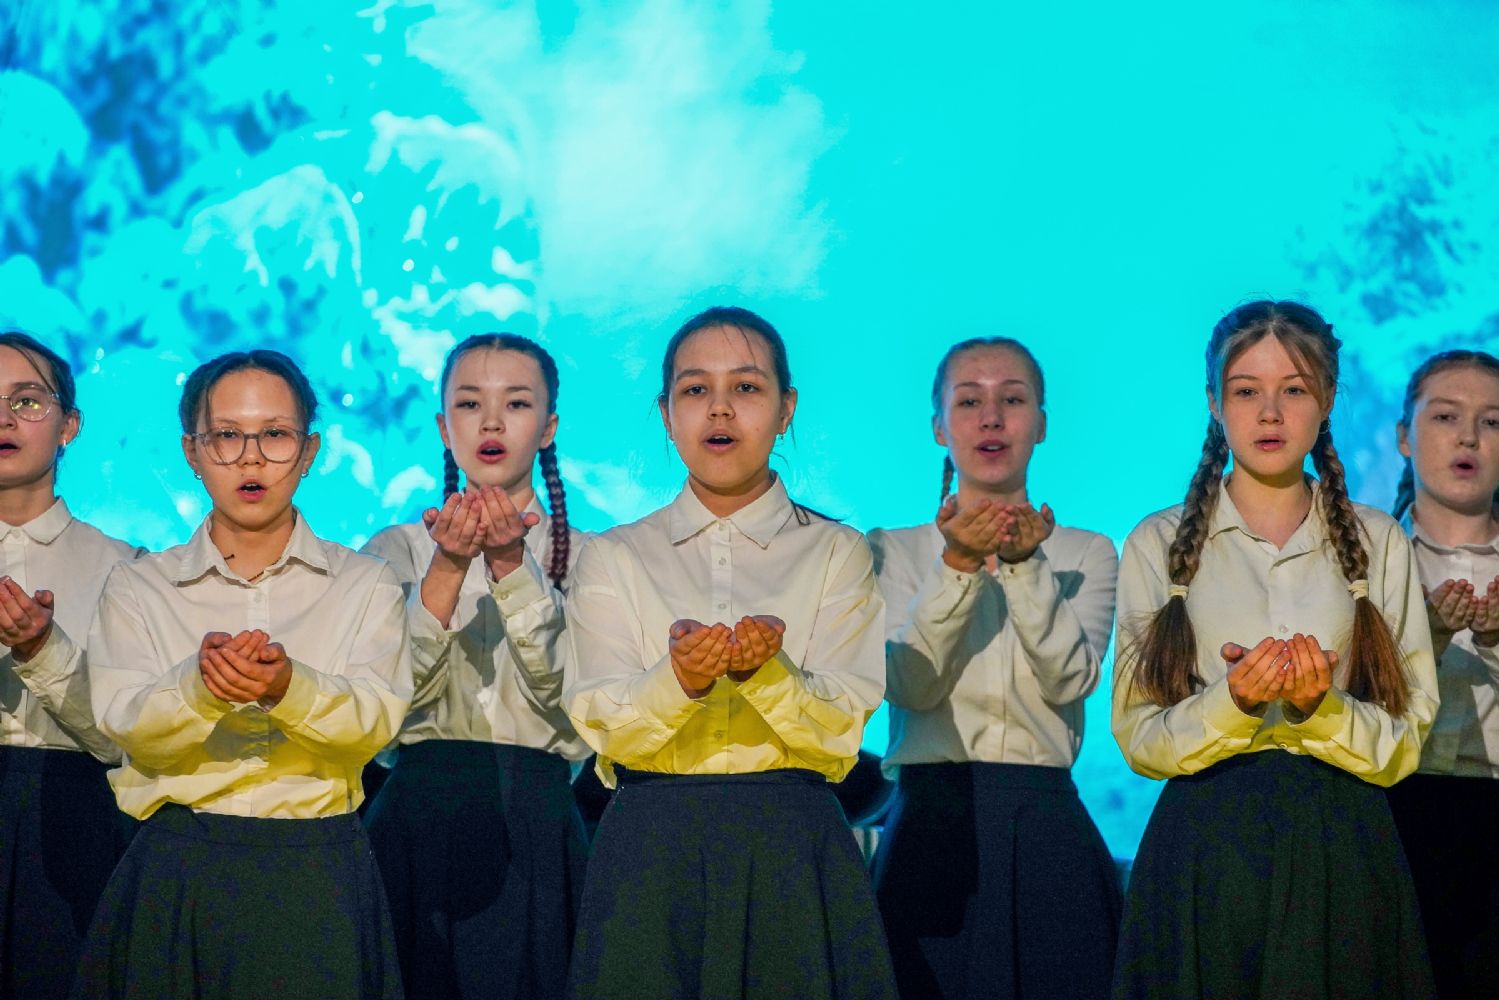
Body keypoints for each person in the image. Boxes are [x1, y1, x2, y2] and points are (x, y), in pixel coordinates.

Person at [564, 306, 897, 999]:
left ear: (785, 410)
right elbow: (600, 722)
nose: (719, 408)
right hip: (650, 848)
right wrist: (679, 680)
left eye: (746, 387)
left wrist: (765, 674)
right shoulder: (614, 555)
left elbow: (840, 733)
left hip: (791, 846)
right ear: (666, 414)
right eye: (695, 389)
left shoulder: (836, 551)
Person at [1110, 300, 1437, 999]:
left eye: (1293, 389)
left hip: (1342, 841)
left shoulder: (1379, 541)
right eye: (1245, 391)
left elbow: (1406, 741)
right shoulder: (1156, 542)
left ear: (1327, 399)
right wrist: (1232, 702)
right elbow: (1139, 738)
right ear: (1214, 403)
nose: (1269, 413)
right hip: (1206, 846)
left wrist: (1321, 708)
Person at [73, 350, 412, 999]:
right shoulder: (141, 586)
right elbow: (125, 726)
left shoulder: (365, 584)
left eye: (275, 435)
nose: (250, 458)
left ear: (309, 451)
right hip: (181, 865)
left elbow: (375, 726)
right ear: (192, 452)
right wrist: (200, 687)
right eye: (226, 435)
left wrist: (288, 689)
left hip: (317, 867)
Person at [868, 336, 1120, 998]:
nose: (991, 418)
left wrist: (1024, 565)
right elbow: (909, 683)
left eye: (1012, 400)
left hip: (1044, 821)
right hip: (928, 823)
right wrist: (956, 566)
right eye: (968, 402)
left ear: (1041, 423)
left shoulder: (1085, 552)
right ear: (938, 426)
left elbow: (1070, 680)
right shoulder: (892, 549)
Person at [363, 333, 588, 1000]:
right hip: (415, 814)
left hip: (539, 817)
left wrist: (513, 568)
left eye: (515, 403)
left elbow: (582, 709)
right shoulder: (396, 550)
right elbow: (378, 704)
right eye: (469, 403)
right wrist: (448, 569)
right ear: (443, 426)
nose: (491, 422)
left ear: (548, 426)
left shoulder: (594, 557)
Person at [1386, 349, 1499, 998]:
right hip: (1391, 817)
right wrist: (1423, 636)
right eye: (1446, 416)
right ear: (1404, 436)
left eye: (1492, 421)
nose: (1468, 437)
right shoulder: (1361, 559)